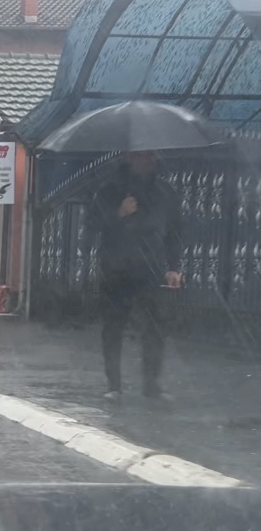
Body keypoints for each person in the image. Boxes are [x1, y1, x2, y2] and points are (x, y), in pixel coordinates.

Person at [87, 150, 182, 401]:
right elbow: (92, 225)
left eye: (150, 156)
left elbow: (174, 229)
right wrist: (119, 213)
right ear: (129, 158)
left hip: (151, 269)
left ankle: (152, 385)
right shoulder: (110, 190)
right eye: (141, 156)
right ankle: (114, 386)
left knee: (155, 329)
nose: (147, 161)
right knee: (113, 327)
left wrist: (174, 266)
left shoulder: (164, 191)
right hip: (116, 269)